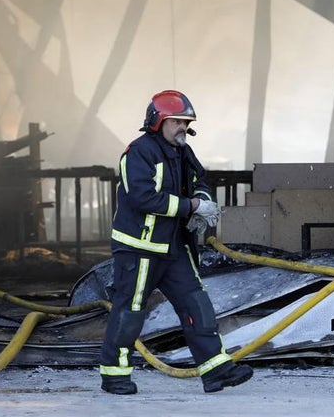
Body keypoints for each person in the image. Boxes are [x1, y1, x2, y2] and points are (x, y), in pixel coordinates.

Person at [98, 90, 254, 395]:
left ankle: (216, 369)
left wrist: (203, 201)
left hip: (174, 246)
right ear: (157, 121)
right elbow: (142, 197)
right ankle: (114, 375)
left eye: (186, 122)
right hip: (140, 248)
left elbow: (200, 182)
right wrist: (190, 207)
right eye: (176, 121)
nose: (183, 127)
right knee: (130, 311)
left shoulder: (183, 152)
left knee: (196, 304)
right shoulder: (139, 153)